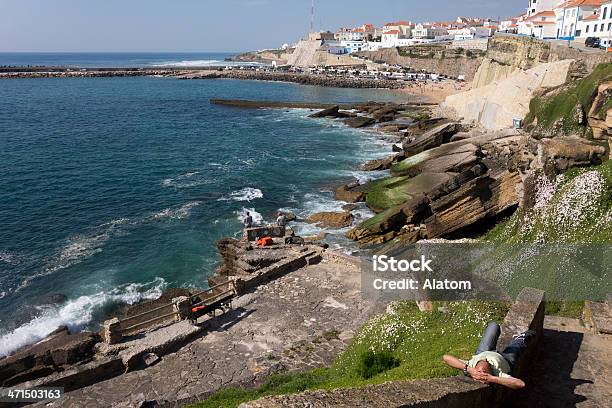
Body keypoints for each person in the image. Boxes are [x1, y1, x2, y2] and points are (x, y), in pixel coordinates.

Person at [442, 322, 535, 390]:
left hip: (482, 352)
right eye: (484, 374)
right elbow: (520, 384)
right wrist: (490, 378)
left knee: (493, 326)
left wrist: (470, 369)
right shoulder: (498, 373)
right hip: (505, 359)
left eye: (479, 374)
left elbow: (445, 357)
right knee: (516, 346)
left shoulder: (470, 365)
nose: (481, 373)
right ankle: (521, 337)